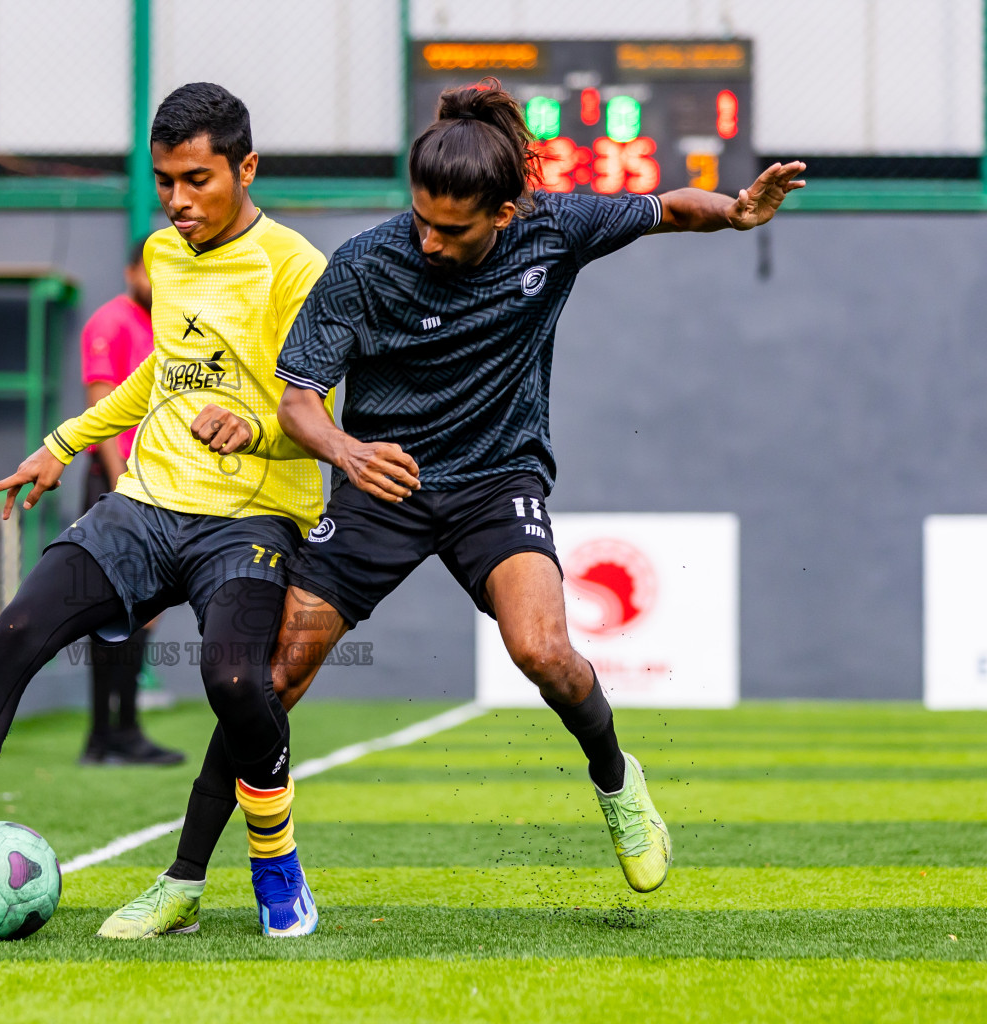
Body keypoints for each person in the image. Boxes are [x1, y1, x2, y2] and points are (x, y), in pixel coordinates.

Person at [102, 79, 806, 936]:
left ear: (504, 215)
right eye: (420, 218)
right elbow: (296, 402)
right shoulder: (367, 263)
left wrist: (734, 214)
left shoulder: (555, 229)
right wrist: (348, 451)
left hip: (497, 480)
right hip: (382, 484)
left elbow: (666, 209)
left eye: (452, 229)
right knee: (272, 678)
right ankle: (182, 880)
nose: (428, 240)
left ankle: (619, 784)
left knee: (544, 652)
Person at [0, 82, 330, 940]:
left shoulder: (295, 267)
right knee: (19, 628)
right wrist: (62, 443)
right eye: (163, 181)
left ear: (246, 168)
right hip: (146, 503)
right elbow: (160, 373)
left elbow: (319, 416)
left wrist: (251, 427)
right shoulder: (167, 254)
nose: (178, 201)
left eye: (197, 179)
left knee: (233, 681)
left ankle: (276, 860)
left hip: (255, 519)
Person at [77, 237, 183, 767]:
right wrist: (122, 488)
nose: (158, 279)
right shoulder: (110, 322)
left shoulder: (167, 324)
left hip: (156, 483)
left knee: (147, 612)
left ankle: (121, 731)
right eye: (150, 269)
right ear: (130, 272)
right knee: (108, 609)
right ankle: (104, 735)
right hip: (117, 482)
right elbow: (101, 414)